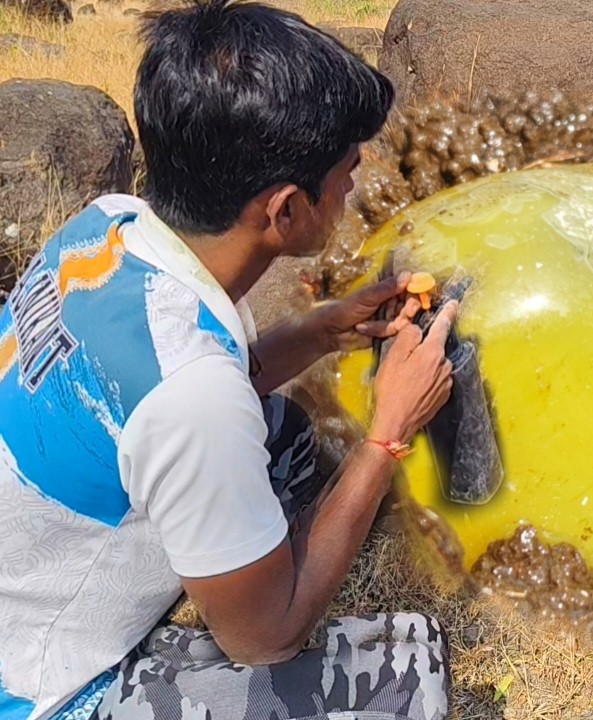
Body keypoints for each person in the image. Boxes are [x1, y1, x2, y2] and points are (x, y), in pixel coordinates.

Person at [0, 1, 457, 718]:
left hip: (25, 572)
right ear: (283, 212)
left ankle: (214, 564)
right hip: (30, 686)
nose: (354, 185)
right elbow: (265, 639)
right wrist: (386, 437)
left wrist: (322, 331)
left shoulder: (109, 227)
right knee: (409, 677)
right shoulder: (192, 396)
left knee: (282, 435)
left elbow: (179, 384)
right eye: (346, 167)